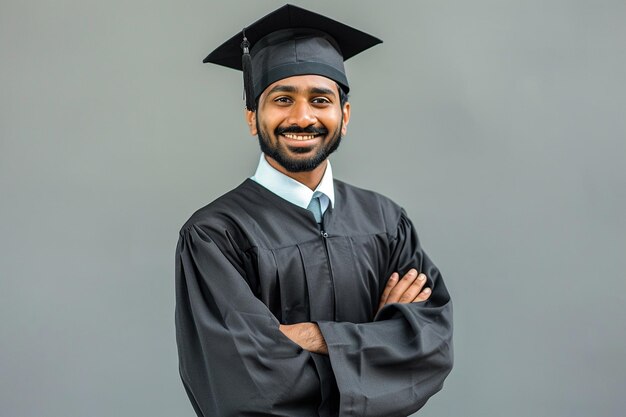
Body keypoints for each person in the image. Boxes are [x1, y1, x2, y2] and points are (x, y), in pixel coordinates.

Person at [175, 4, 453, 417]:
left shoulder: (385, 221)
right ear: (253, 117)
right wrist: (378, 341)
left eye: (320, 100)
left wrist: (314, 337)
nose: (302, 116)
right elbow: (241, 387)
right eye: (282, 99)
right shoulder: (215, 236)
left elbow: (431, 351)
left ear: (345, 114)